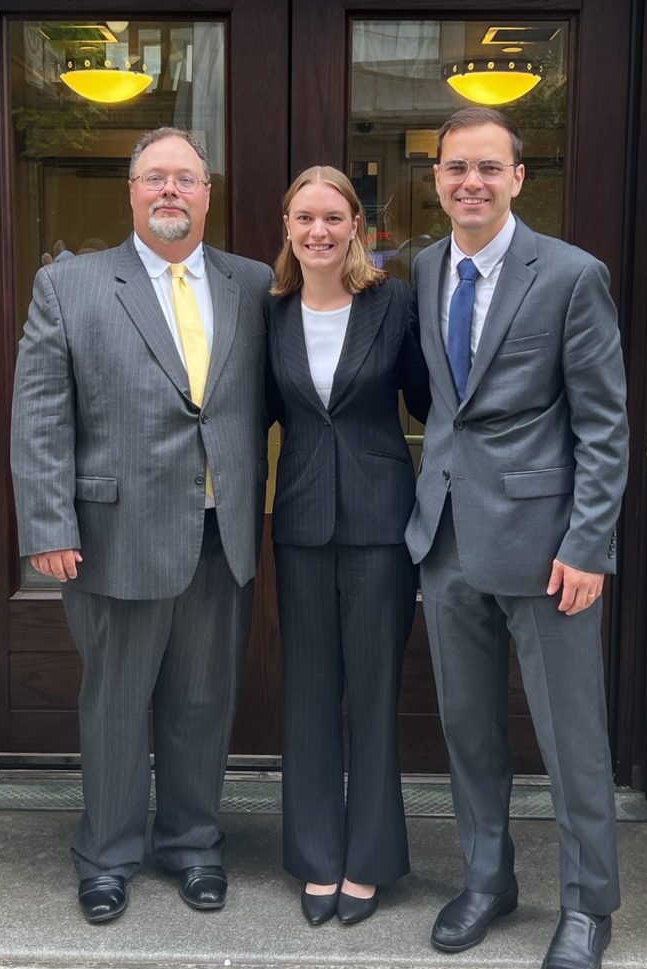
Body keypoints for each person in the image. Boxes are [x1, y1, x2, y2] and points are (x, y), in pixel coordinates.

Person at [10, 126, 272, 923]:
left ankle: (193, 843)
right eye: (154, 178)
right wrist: (48, 523)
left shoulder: (254, 284)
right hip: (114, 534)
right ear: (130, 191)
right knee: (116, 702)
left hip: (218, 533)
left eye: (185, 179)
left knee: (203, 699)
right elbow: (42, 414)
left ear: (206, 193)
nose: (170, 191)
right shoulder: (73, 285)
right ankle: (108, 853)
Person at [406, 107, 628, 969]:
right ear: (437, 177)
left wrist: (588, 543)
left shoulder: (572, 276)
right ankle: (489, 880)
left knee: (572, 738)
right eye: (457, 167)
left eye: (489, 168)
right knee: (467, 729)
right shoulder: (425, 268)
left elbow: (605, 424)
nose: (472, 182)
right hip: (446, 538)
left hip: (548, 550)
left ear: (518, 177)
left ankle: (587, 907)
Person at [267, 166, 430, 926]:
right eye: (306, 218)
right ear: (289, 226)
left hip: (379, 528)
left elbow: (432, 400)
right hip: (299, 525)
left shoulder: (394, 302)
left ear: (356, 224)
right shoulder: (268, 314)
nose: (319, 231)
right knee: (307, 694)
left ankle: (367, 860)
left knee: (370, 695)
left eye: (334, 217)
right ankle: (314, 856)